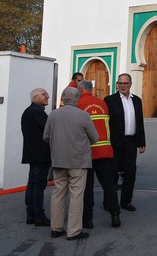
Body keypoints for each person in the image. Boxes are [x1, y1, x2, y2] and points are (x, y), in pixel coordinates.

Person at [43, 87, 99, 241]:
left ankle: (56, 228)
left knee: (58, 194)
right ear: (77, 99)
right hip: (78, 161)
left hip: (58, 160)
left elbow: (46, 137)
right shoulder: (83, 115)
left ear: (63, 98)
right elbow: (95, 137)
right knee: (76, 196)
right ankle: (73, 231)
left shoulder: (53, 115)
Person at [77, 80, 121, 229]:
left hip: (87, 152)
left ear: (80, 89)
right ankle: (115, 214)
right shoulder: (102, 103)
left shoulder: (79, 105)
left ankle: (87, 219)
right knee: (109, 185)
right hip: (105, 150)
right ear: (92, 89)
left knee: (87, 188)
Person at [104, 73, 146, 212]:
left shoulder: (137, 100)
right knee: (112, 174)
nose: (123, 86)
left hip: (131, 142)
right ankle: (109, 202)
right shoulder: (109, 100)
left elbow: (140, 123)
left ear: (130, 84)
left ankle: (126, 202)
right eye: (120, 83)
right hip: (115, 143)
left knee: (130, 173)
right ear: (117, 84)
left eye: (125, 83)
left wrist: (142, 142)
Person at [21, 88, 51, 227]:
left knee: (32, 183)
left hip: (32, 154)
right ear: (36, 97)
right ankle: (38, 215)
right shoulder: (38, 112)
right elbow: (48, 130)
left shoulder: (28, 111)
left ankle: (31, 214)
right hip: (41, 154)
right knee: (38, 185)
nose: (48, 96)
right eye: (44, 95)